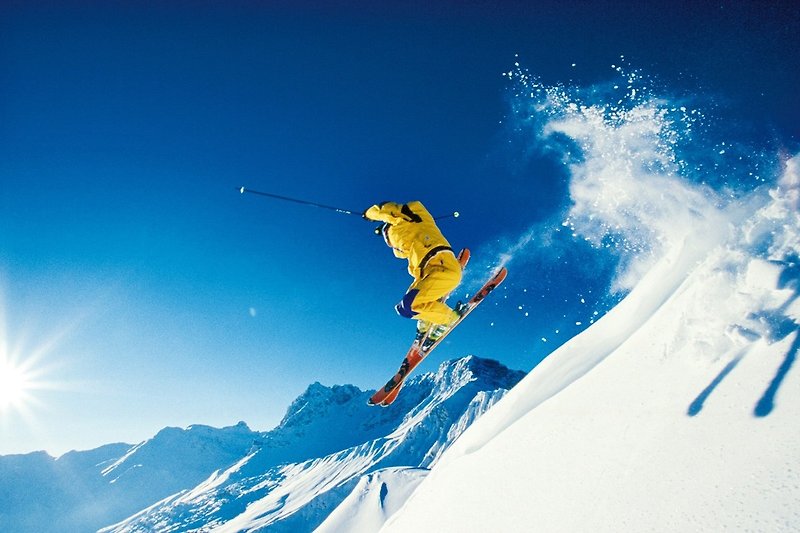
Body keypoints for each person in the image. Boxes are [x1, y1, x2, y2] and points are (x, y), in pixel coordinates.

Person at [363, 201, 465, 340]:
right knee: (403, 308)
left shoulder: (411, 217)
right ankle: (427, 321)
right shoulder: (410, 251)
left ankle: (448, 318)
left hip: (443, 266)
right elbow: (400, 250)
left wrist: (369, 213)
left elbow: (390, 210)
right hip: (429, 274)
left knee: (408, 306)